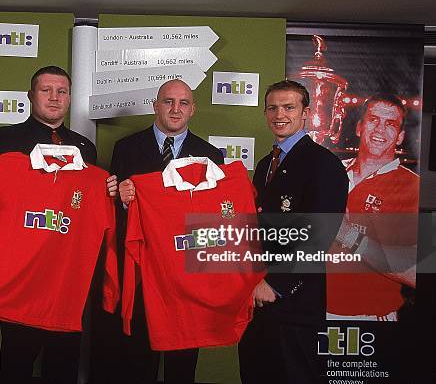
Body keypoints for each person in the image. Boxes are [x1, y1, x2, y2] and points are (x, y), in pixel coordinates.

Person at [0, 65, 117, 383]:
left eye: (62, 91)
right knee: (16, 362)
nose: (55, 97)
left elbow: (85, 204)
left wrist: (106, 189)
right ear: (31, 96)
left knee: (63, 364)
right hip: (21, 274)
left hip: (68, 278)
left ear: (69, 98)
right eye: (46, 90)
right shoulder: (3, 139)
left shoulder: (85, 148)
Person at [90, 79, 224, 384]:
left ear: (193, 109)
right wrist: (122, 201)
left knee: (183, 362)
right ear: (155, 105)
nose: (176, 109)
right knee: (138, 359)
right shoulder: (126, 148)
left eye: (183, 103)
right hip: (139, 271)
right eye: (168, 101)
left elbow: (213, 221)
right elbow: (111, 211)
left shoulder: (211, 155)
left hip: (187, 277)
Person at [238, 80, 348, 384]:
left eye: (289, 107)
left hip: (294, 305)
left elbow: (319, 234)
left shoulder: (323, 164)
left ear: (305, 113)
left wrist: (275, 283)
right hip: (257, 302)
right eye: (272, 107)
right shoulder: (264, 164)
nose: (279, 114)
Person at [327, 93, 419, 321]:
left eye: (390, 124)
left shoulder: (413, 186)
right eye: (373, 120)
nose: (380, 129)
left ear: (400, 136)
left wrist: (347, 235)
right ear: (359, 127)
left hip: (369, 318)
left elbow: (414, 273)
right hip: (312, 312)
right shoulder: (329, 172)